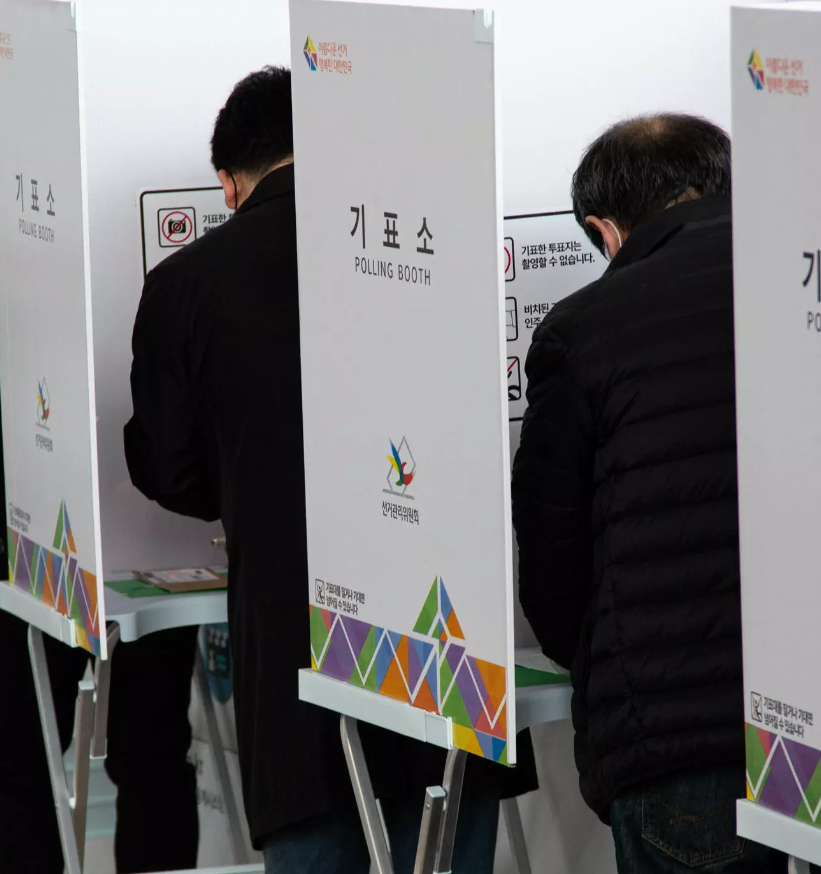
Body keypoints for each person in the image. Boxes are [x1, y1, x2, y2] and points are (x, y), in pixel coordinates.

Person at [125, 66, 533, 874]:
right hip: (447, 641)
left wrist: (249, 483)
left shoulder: (187, 283)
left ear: (229, 181)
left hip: (295, 639)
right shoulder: (431, 241)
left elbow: (169, 469)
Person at [0, 30, 199, 873]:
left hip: (33, 516)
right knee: (154, 757)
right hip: (157, 522)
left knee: (22, 762)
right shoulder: (154, 190)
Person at [512, 114, 783, 873]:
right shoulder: (817, 287)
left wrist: (601, 661)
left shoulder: (583, 329)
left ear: (605, 230)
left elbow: (554, 556)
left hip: (678, 738)